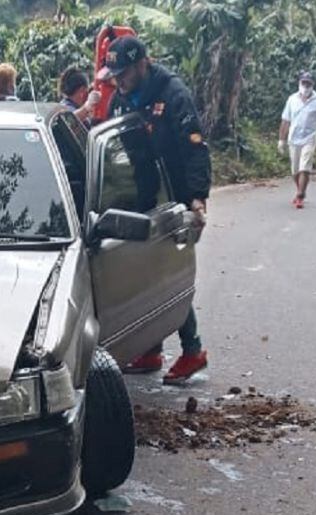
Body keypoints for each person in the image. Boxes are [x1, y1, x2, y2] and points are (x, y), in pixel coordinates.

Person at [104, 35, 211, 385]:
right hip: (142, 195)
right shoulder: (121, 98)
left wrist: (197, 198)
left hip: (175, 195)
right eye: (114, 74)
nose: (118, 81)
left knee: (167, 272)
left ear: (141, 64)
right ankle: (151, 350)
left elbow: (195, 148)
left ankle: (193, 350)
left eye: (123, 73)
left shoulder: (173, 94)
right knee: (148, 271)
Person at [278, 71, 316, 209]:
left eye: (308, 83)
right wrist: (281, 140)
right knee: (295, 170)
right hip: (294, 138)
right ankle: (300, 191)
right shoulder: (292, 99)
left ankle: (300, 195)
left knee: (305, 167)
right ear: (299, 83)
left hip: (309, 137)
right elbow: (285, 120)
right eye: (304, 83)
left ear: (312, 84)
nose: (306, 86)